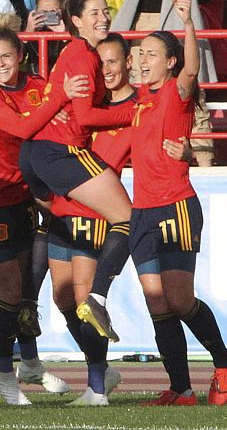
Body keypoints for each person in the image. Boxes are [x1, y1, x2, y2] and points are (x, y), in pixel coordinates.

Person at [0, 15, 88, 405]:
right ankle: (4, 374)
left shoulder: (37, 87)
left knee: (29, 290)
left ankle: (30, 363)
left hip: (24, 196)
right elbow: (21, 129)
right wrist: (59, 99)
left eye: (5, 56)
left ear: (20, 55)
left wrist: (64, 105)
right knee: (11, 290)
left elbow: (57, 122)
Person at [129, 0, 227, 406]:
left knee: (179, 299)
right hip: (142, 211)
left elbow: (193, 68)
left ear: (169, 62)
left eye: (151, 54)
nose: (143, 60)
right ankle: (182, 389)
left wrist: (188, 22)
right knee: (157, 303)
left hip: (175, 206)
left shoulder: (177, 91)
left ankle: (224, 359)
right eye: (141, 53)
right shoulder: (140, 98)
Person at [17, 0, 136, 346]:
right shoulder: (83, 55)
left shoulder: (76, 53)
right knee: (129, 218)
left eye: (106, 10)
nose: (103, 17)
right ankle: (97, 298)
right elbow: (84, 116)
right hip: (59, 153)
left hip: (36, 155)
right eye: (94, 12)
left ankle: (28, 303)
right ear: (77, 21)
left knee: (55, 223)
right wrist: (133, 113)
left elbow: (76, 107)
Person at [46, 33, 142, 406]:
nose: (107, 70)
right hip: (62, 206)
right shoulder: (87, 104)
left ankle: (97, 387)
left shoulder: (135, 109)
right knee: (62, 298)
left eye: (114, 62)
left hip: (96, 213)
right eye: (101, 64)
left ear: (127, 64)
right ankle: (100, 369)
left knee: (87, 300)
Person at [112, 0, 217, 167]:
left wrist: (188, 22)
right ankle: (136, 163)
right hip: (140, 22)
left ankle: (205, 167)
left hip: (179, 18)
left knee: (194, 97)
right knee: (142, 97)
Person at [23, 0, 66, 75]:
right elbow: (18, 58)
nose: (48, 16)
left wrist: (65, 36)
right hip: (36, 78)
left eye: (52, 12)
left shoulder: (71, 26)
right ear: (36, 10)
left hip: (61, 77)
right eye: (44, 12)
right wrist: (27, 34)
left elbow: (78, 55)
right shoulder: (28, 25)